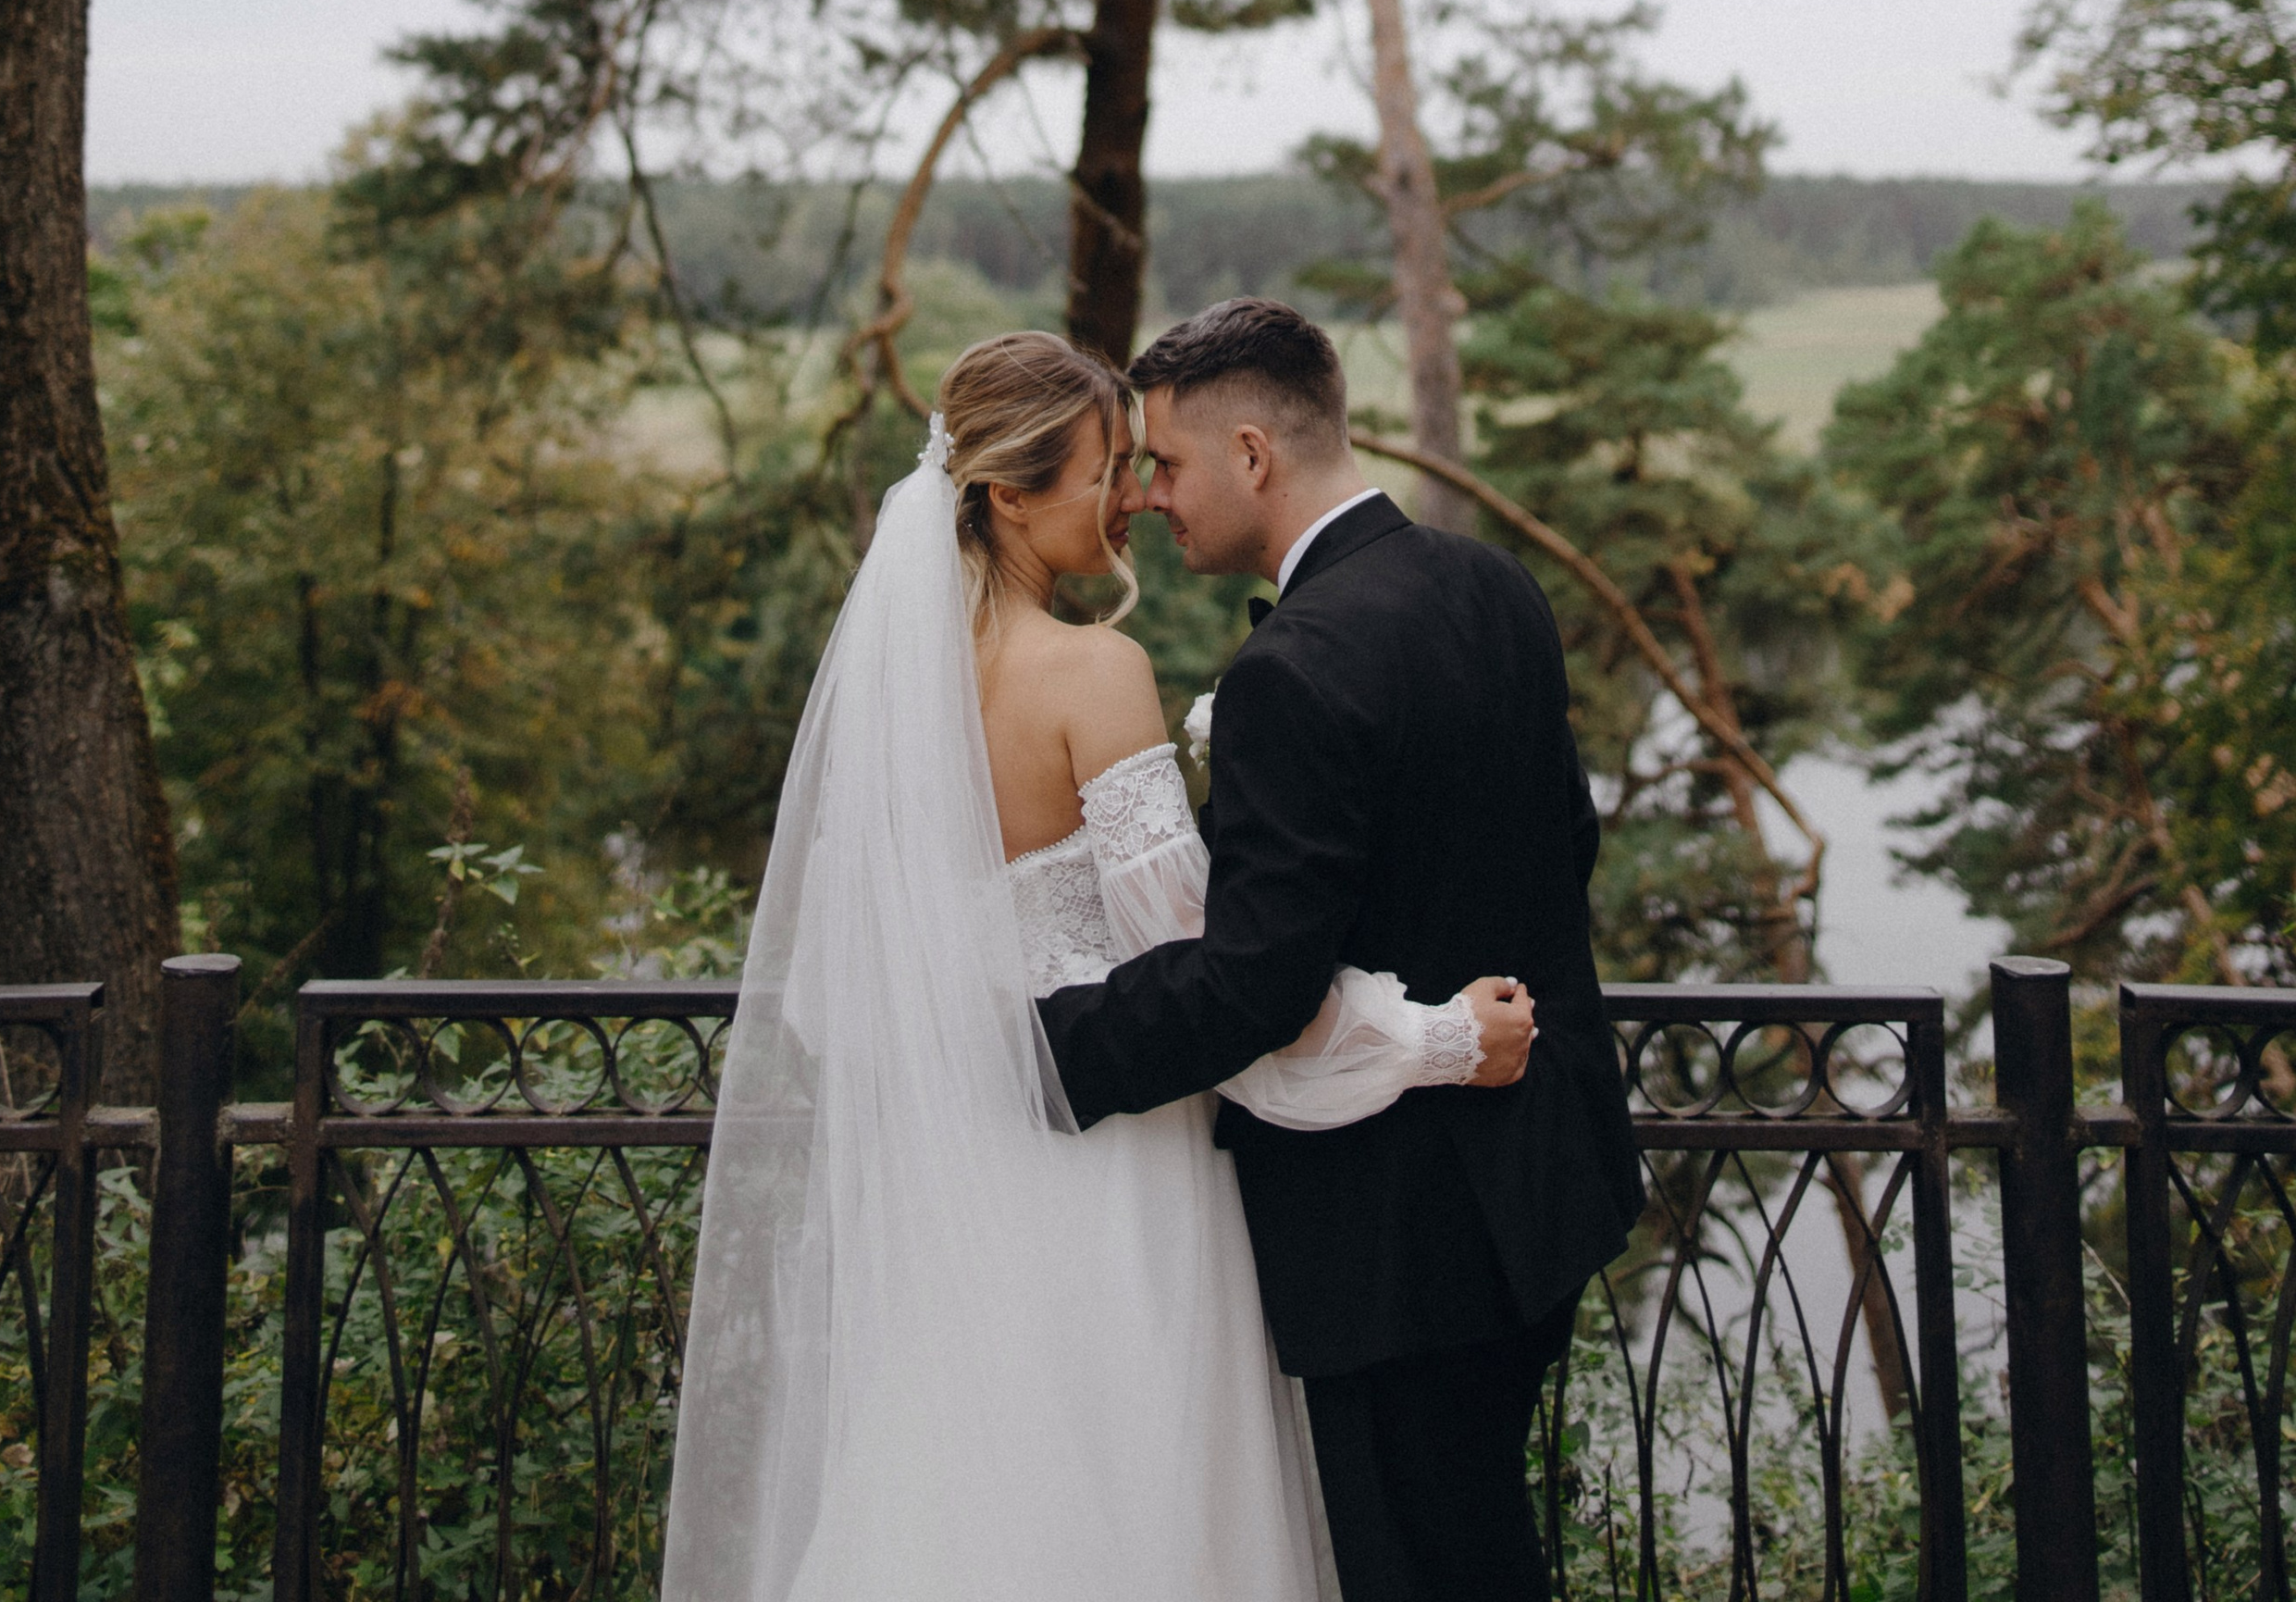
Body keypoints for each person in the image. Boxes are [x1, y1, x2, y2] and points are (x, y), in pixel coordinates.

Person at [662, 329, 1534, 1602]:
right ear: (1007, 495)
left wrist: (978, 1044)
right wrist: (1435, 1037)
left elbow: (831, 992)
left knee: (958, 1499)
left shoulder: (888, 701)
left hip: (957, 1188)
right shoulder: (1093, 672)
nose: (1131, 495)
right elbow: (1222, 981)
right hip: (1116, 1173)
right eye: (1104, 471)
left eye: (1138, 464)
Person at [1038, 295, 1643, 1602]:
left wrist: (1049, 1048)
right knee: (1483, 1548)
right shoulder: (1491, 583)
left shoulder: (1295, 669)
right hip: (1540, 1183)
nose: (1149, 500)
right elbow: (1566, 847)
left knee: (1419, 1567)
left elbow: (1256, 981)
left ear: (1254, 454)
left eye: (1169, 464)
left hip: (1394, 1235)